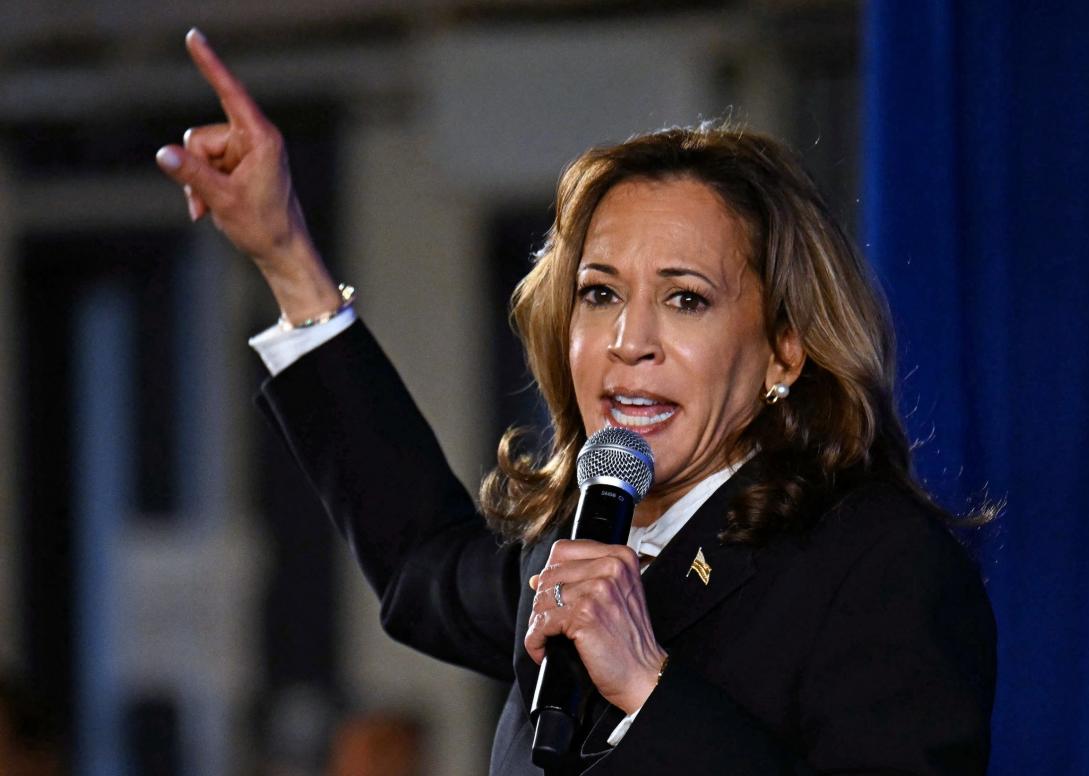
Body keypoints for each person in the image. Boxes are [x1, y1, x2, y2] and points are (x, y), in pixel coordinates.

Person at [156, 28, 996, 775]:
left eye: (686, 299)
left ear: (785, 346)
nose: (630, 339)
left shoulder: (877, 565)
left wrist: (649, 690)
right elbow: (420, 560)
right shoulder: (571, 548)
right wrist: (286, 260)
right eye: (598, 294)